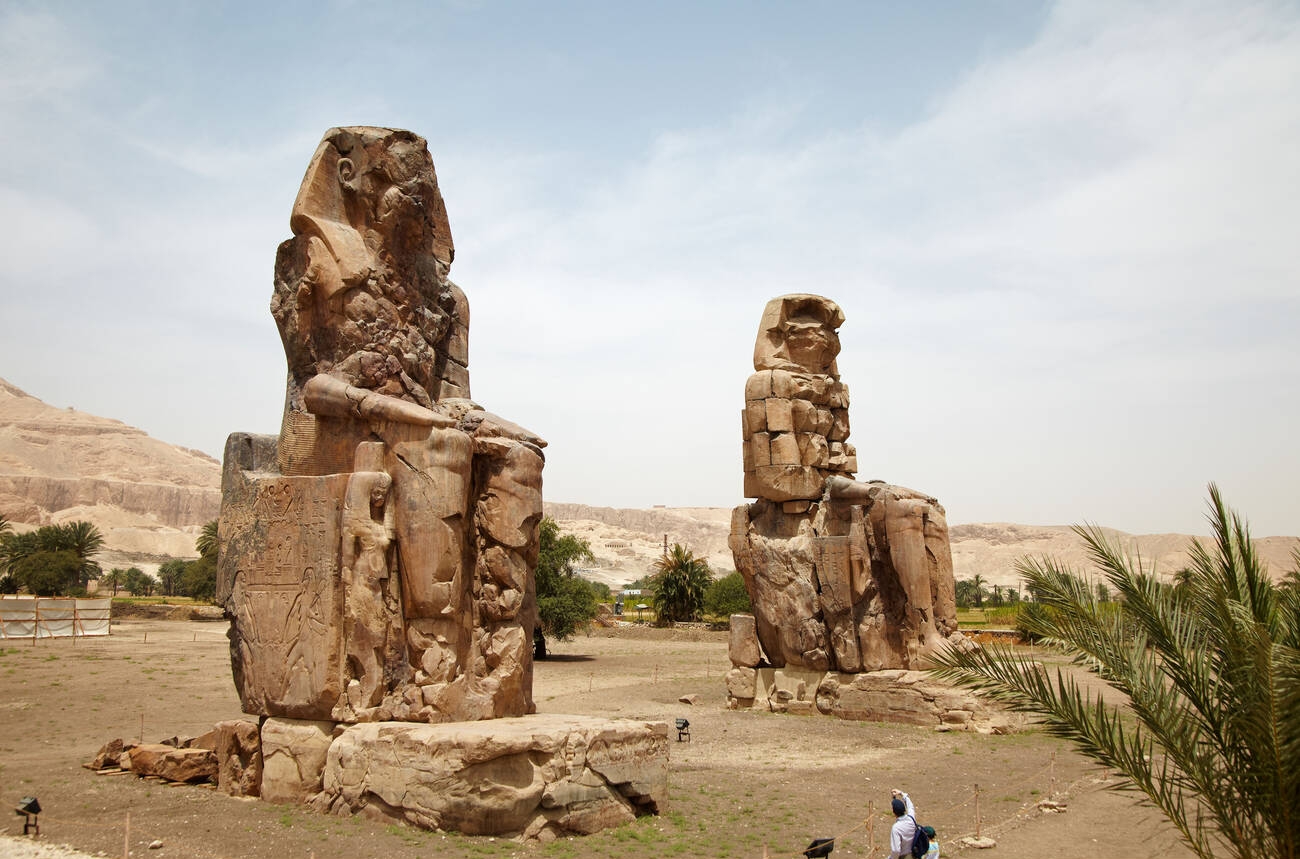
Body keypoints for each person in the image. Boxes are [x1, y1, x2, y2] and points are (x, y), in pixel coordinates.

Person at [888, 789, 939, 859]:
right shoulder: (911, 819)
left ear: (894, 813)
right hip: (915, 854)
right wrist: (901, 793)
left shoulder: (896, 828)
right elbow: (910, 806)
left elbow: (896, 850)